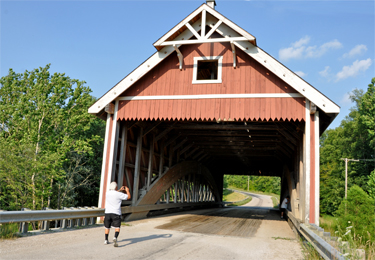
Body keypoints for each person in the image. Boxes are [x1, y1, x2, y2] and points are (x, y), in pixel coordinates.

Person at [104, 181, 131, 247]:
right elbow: (128, 197)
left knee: (107, 227)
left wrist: (119, 190)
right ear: (116, 187)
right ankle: (115, 238)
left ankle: (106, 240)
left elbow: (114, 194)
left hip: (107, 212)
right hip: (116, 213)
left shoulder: (107, 193)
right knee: (117, 227)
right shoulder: (118, 194)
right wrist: (127, 190)